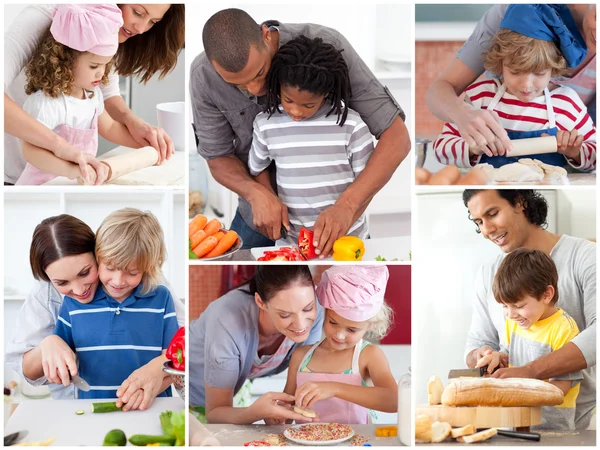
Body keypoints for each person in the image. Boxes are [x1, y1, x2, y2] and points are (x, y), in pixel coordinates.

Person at [192, 8, 410, 256]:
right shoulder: (203, 75)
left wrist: (347, 207)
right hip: (258, 219)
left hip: (339, 225)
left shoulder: (327, 47)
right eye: (238, 84)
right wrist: (256, 193)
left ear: (265, 35)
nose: (256, 89)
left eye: (261, 72)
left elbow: (397, 138)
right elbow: (218, 157)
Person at [5, 213, 184, 410]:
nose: (80, 290)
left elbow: (181, 349)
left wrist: (159, 370)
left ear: (97, 254)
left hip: (150, 408)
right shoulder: (57, 299)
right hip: (84, 409)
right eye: (62, 283)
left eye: (85, 273)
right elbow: (27, 369)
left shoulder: (155, 288)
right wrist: (48, 345)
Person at [5, 4, 185, 185]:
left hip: (73, 181)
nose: (141, 29)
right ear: (64, 60)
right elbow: (30, 150)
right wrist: (70, 165)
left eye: (153, 22)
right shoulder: (47, 103)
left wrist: (146, 142)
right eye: (138, 12)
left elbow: (110, 124)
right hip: (27, 181)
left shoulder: (92, 94)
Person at [462, 189, 595, 429]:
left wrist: (529, 371)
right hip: (514, 423)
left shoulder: (586, 256)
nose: (486, 229)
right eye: (479, 222)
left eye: (492, 214)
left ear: (520, 203)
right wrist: (485, 356)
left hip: (574, 423)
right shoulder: (488, 273)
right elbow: (478, 343)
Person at [433, 5, 596, 171]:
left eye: (539, 73)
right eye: (515, 72)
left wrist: (574, 152)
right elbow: (441, 150)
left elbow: (595, 155)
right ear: (500, 63)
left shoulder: (567, 103)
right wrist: (472, 148)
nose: (526, 85)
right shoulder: (480, 97)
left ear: (554, 67)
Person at [248, 36, 373, 242]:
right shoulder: (266, 124)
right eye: (288, 100)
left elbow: (367, 184)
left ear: (326, 93)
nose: (296, 111)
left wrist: (345, 216)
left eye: (309, 105)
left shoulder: (351, 125)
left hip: (348, 240)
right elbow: (257, 168)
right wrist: (269, 199)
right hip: (292, 242)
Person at [52, 208, 178, 402]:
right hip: (93, 409)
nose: (118, 281)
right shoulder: (73, 303)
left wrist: (152, 381)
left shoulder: (161, 298)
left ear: (148, 267)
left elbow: (173, 358)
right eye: (110, 268)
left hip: (152, 407)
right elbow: (60, 354)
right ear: (97, 258)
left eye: (132, 272)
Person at [189, 265, 325, 424]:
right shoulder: (227, 321)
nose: (301, 324)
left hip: (236, 391)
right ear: (260, 302)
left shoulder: (316, 312)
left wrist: (284, 414)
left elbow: (299, 376)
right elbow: (215, 413)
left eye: (308, 308)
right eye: (285, 315)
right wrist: (255, 413)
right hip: (190, 396)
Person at [477, 248, 582, 430]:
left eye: (518, 306)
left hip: (552, 428)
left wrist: (516, 386)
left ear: (546, 295)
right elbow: (510, 353)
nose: (510, 314)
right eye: (504, 306)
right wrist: (498, 357)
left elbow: (561, 388)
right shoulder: (515, 321)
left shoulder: (564, 329)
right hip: (516, 422)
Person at [283, 266, 397, 424]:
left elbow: (394, 401)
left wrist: (334, 388)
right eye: (333, 322)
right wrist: (278, 416)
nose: (339, 334)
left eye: (352, 329)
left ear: (370, 325)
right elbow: (287, 409)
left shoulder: (368, 355)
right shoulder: (301, 356)